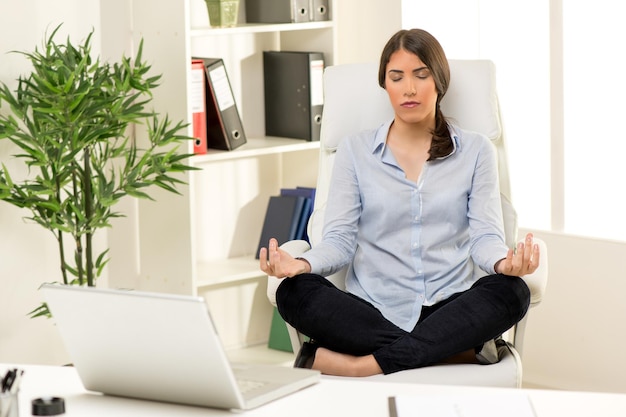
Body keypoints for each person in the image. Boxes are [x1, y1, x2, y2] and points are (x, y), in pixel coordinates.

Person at [259, 28, 540, 377]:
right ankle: (453, 352)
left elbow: (485, 236)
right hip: (372, 310)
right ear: (385, 84)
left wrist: (503, 263)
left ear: (438, 81)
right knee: (295, 292)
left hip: (449, 306)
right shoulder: (354, 150)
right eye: (397, 77)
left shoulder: (476, 150)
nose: (409, 88)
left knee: (512, 292)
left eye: (421, 75)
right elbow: (339, 242)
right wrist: (301, 264)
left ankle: (364, 365)